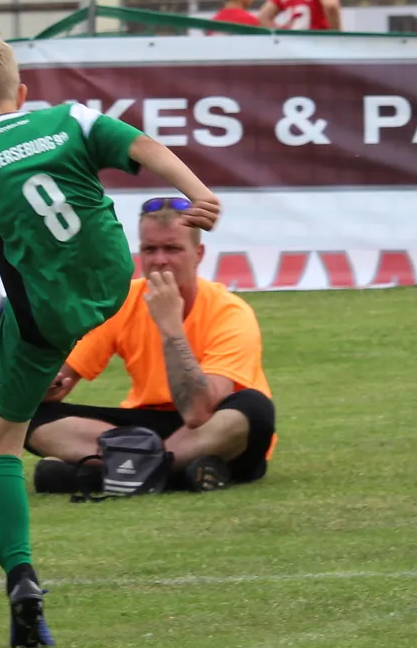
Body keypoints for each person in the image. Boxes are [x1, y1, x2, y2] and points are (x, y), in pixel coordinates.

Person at [0, 32, 220, 648]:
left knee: (0, 440)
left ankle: (21, 577)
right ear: (22, 94)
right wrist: (197, 193)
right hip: (111, 276)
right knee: (53, 303)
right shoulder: (70, 119)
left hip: (44, 315)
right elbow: (145, 147)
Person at [27, 198, 275, 492]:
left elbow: (198, 412)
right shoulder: (122, 301)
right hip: (147, 429)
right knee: (29, 414)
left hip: (207, 425)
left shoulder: (230, 313)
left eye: (172, 249)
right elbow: (60, 378)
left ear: (198, 254)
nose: (159, 260)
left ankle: (105, 475)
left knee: (255, 408)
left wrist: (171, 327)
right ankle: (175, 473)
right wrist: (46, 386)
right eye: (149, 249)